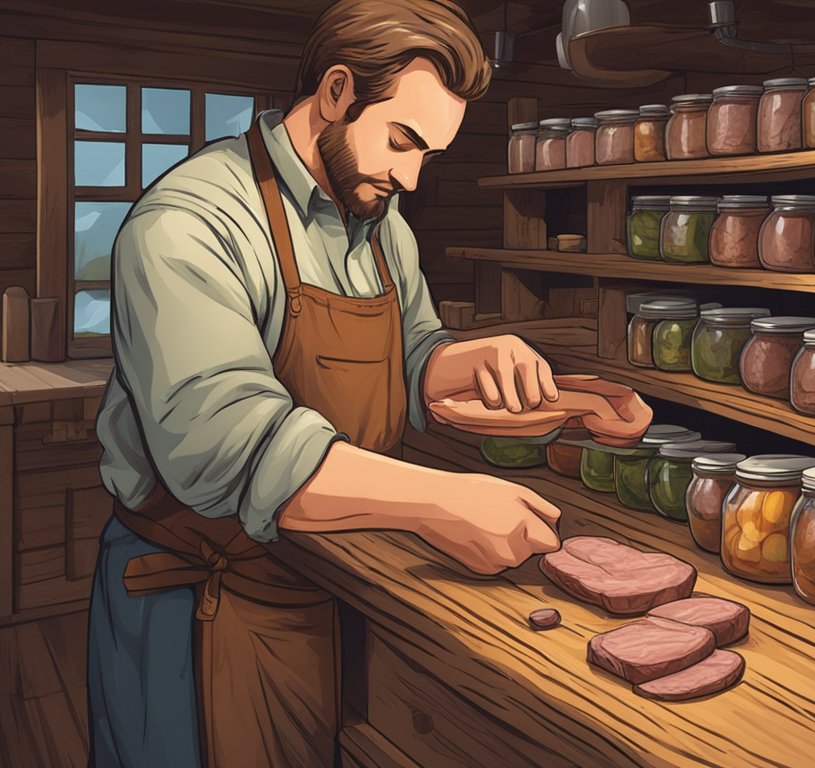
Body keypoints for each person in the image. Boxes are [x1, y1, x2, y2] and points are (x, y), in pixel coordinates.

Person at [87, 2, 569, 764]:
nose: (410, 175)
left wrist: (460, 361)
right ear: (338, 91)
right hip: (193, 604)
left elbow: (407, 358)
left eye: (429, 155)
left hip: (325, 579)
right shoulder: (189, 223)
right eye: (402, 140)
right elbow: (232, 448)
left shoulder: (381, 226)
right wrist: (442, 500)